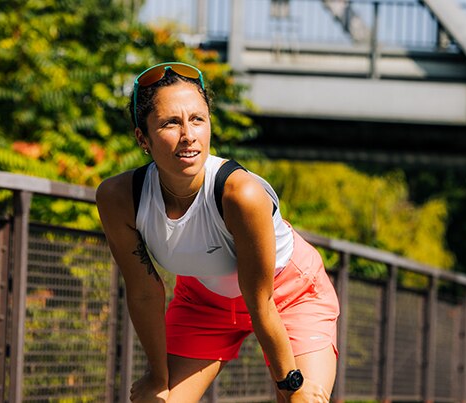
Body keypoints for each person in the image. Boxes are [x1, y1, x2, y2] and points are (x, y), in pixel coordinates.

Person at [96, 62, 340, 402]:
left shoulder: (241, 194)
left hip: (289, 294)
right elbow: (144, 292)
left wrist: (291, 385)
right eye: (171, 123)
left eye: (198, 119)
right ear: (142, 138)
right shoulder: (121, 198)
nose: (188, 135)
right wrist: (157, 375)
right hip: (203, 302)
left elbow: (260, 301)